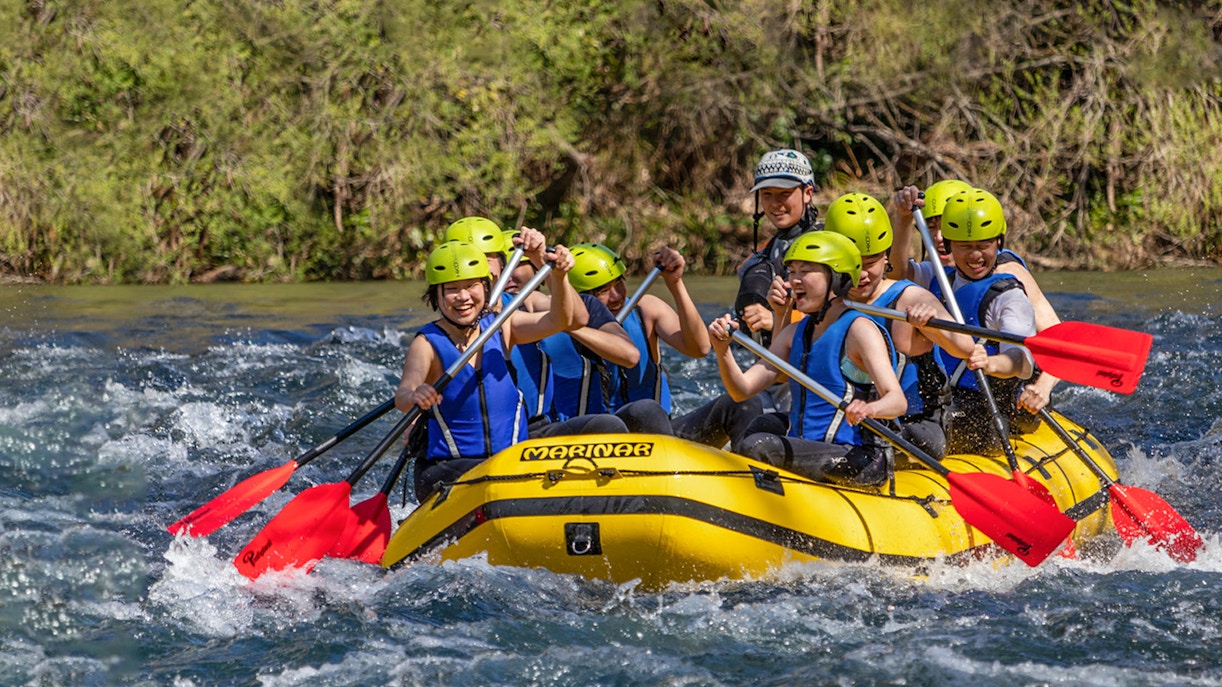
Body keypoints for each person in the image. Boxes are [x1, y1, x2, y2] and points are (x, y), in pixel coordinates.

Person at [709, 231, 907, 487]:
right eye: (792, 272)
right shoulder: (795, 333)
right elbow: (741, 390)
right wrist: (722, 350)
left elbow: (897, 401)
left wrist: (870, 409)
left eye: (805, 271)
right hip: (814, 449)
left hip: (859, 457)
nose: (793, 281)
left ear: (838, 278)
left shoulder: (859, 331)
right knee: (762, 425)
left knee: (759, 446)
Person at [395, 238, 586, 498]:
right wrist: (415, 396)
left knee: (607, 426)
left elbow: (561, 320)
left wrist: (561, 277)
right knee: (496, 474)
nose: (463, 297)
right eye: (451, 289)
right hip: (446, 469)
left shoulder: (503, 326)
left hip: (509, 463)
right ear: (436, 295)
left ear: (485, 288)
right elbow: (404, 394)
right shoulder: (426, 343)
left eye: (471, 286)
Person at [892, 184, 1063, 424]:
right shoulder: (938, 274)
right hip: (952, 392)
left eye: (946, 226)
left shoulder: (1007, 276)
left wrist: (1043, 386)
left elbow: (1055, 340)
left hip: (1005, 395)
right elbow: (895, 278)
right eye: (931, 227)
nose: (939, 238)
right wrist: (903, 219)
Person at [822, 192, 974, 459]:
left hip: (918, 425)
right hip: (847, 421)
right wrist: (781, 313)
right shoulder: (828, 301)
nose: (862, 274)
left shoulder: (910, 297)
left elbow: (966, 348)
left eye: (870, 263)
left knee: (879, 436)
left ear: (885, 258)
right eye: (851, 264)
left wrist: (932, 326)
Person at [569, 243, 763, 446]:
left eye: (619, 283)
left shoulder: (646, 309)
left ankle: (758, 472)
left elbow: (699, 348)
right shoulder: (554, 327)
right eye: (603, 291)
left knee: (743, 403)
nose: (616, 296)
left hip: (659, 433)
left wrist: (675, 284)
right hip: (596, 441)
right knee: (644, 410)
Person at [735, 149, 821, 345]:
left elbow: (842, 313)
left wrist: (776, 320)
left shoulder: (830, 247)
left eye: (784, 193)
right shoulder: (758, 258)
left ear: (807, 193)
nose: (775, 203)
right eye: (767, 194)